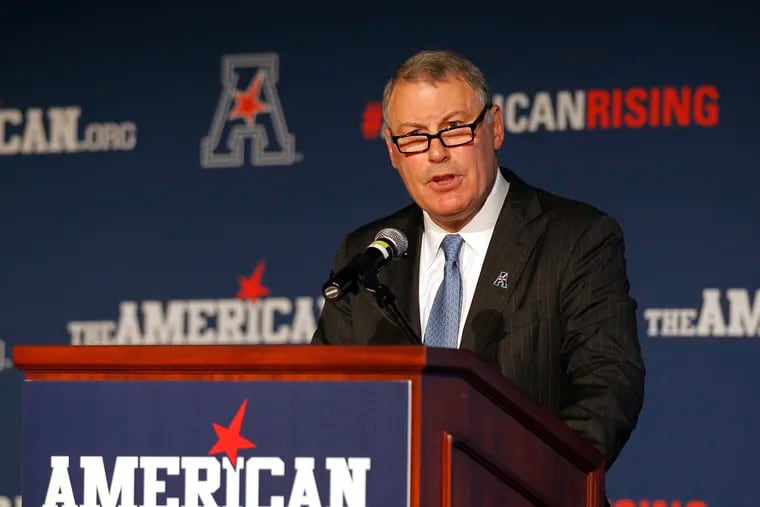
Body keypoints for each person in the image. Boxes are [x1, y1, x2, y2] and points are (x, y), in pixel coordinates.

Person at [311, 49, 645, 502]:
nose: (436, 152)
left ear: (494, 127)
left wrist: (523, 485)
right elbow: (325, 399)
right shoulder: (366, 256)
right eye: (413, 136)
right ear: (392, 151)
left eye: (454, 128)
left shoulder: (576, 237)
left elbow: (608, 386)